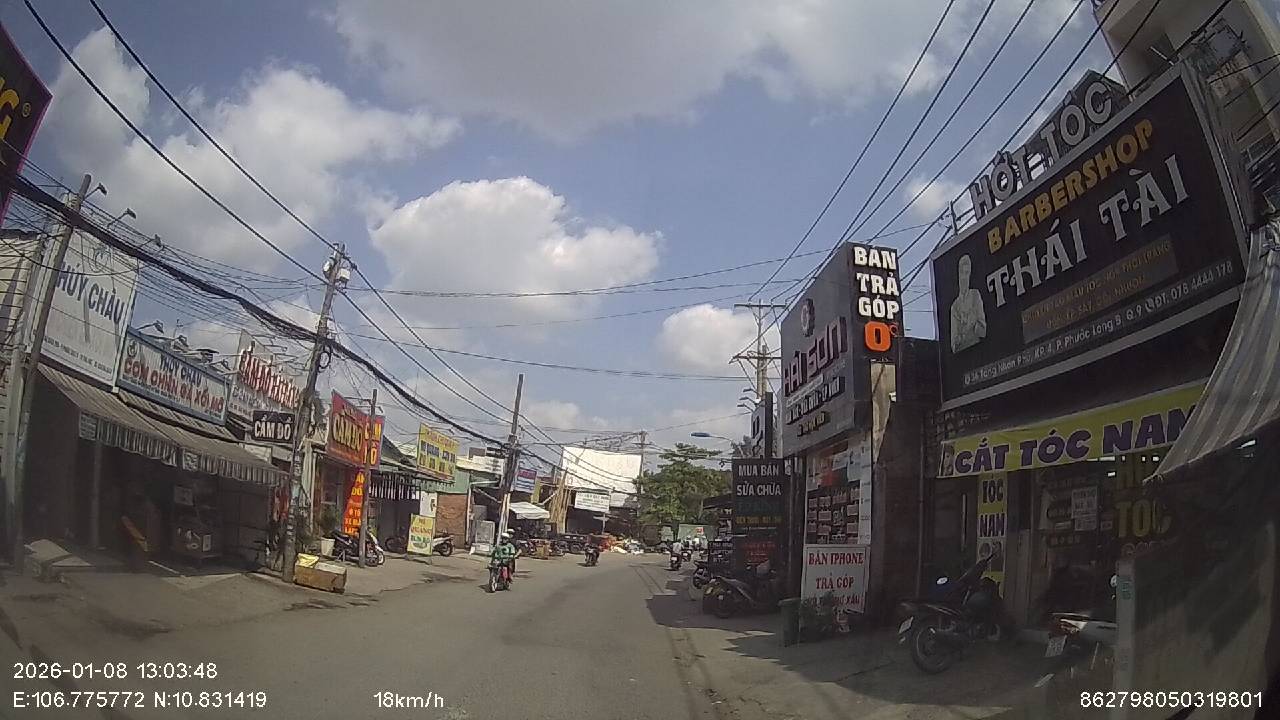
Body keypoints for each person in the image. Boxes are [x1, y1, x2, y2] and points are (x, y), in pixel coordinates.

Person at [949, 254, 987, 354]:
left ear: (969, 274)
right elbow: (954, 346)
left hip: (981, 351)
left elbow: (983, 331)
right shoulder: (955, 307)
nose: (964, 277)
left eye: (966, 273)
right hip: (964, 358)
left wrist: (964, 330)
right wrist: (971, 326)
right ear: (958, 274)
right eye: (962, 272)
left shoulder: (975, 295)